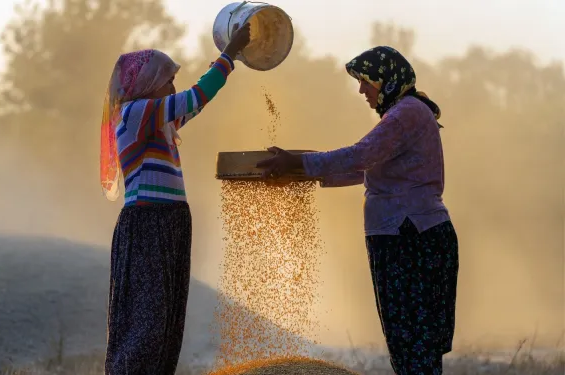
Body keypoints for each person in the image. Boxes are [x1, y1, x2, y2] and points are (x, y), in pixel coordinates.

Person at [256, 46, 459, 375]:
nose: (361, 89)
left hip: (409, 236)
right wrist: (302, 172)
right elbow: (366, 168)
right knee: (411, 343)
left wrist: (299, 162)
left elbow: (361, 155)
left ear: (386, 79)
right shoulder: (407, 113)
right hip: (409, 234)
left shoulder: (406, 113)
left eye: (366, 81)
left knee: (413, 341)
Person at [99, 23, 251, 375]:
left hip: (170, 223)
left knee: (167, 322)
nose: (173, 88)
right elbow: (196, 96)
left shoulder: (157, 121)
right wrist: (230, 55)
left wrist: (231, 58)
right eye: (168, 81)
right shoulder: (136, 113)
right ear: (147, 85)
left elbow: (194, 104)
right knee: (147, 324)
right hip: (148, 223)